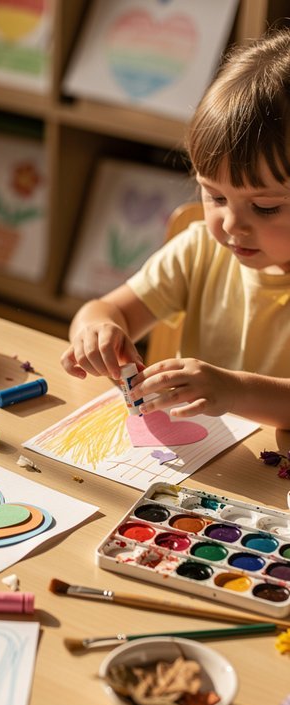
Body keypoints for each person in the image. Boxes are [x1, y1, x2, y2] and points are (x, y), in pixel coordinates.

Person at [61, 28, 290, 429]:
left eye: (264, 206)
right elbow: (105, 310)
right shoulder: (199, 250)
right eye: (215, 197)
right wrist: (97, 331)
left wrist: (234, 391)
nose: (231, 224)